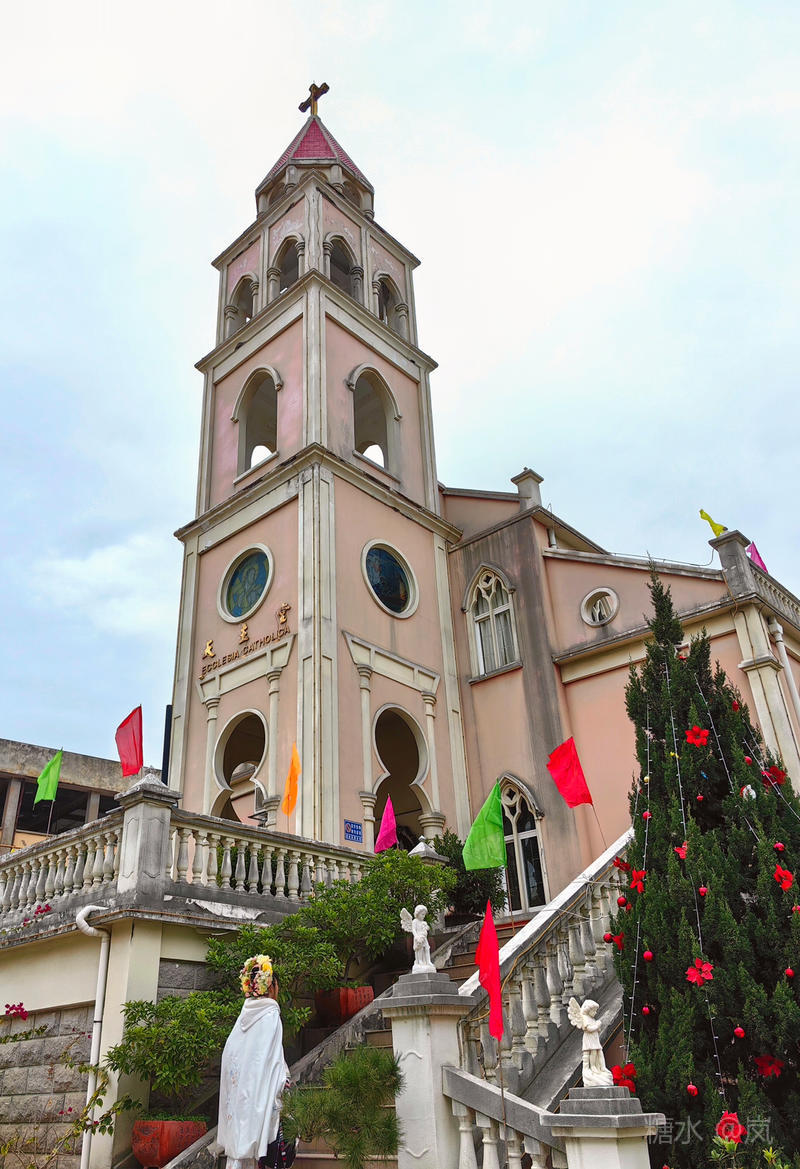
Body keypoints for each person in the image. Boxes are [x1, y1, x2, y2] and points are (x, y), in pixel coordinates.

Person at [217, 954, 292, 1169]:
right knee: (256, 1147)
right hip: (259, 1093)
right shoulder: (270, 1015)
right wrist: (282, 1085)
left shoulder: (244, 1016)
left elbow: (231, 1056)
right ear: (272, 986)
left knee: (239, 1150)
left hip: (239, 1095)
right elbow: (273, 1060)